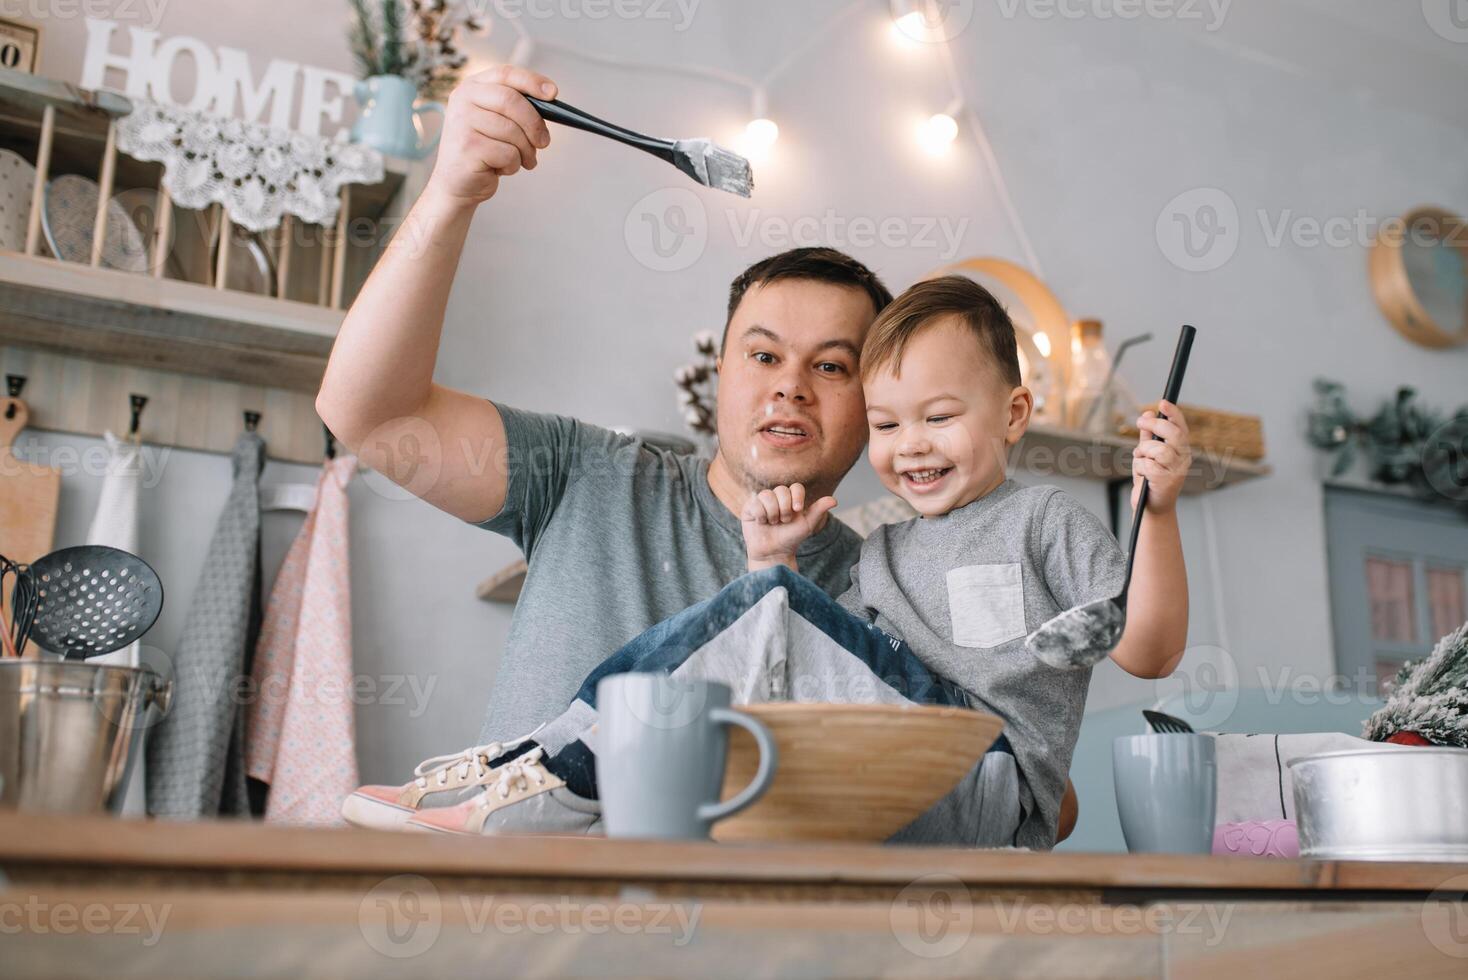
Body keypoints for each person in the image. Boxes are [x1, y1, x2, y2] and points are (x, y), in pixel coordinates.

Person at [345, 276, 1193, 850]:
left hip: (981, 775)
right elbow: (809, 680)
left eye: (939, 417)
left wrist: (1160, 510)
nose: (912, 446)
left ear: (1014, 415)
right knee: (763, 612)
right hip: (898, 778)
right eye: (891, 424)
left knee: (770, 606)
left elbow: (1148, 651)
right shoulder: (886, 552)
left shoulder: (1040, 519)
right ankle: (521, 770)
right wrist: (766, 566)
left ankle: (527, 779)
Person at [319, 65, 892, 827]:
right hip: (514, 924)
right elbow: (370, 417)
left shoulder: (885, 594)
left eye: (830, 365)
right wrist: (452, 191)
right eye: (761, 356)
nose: (790, 386)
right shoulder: (586, 476)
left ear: (875, 400)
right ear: (719, 375)